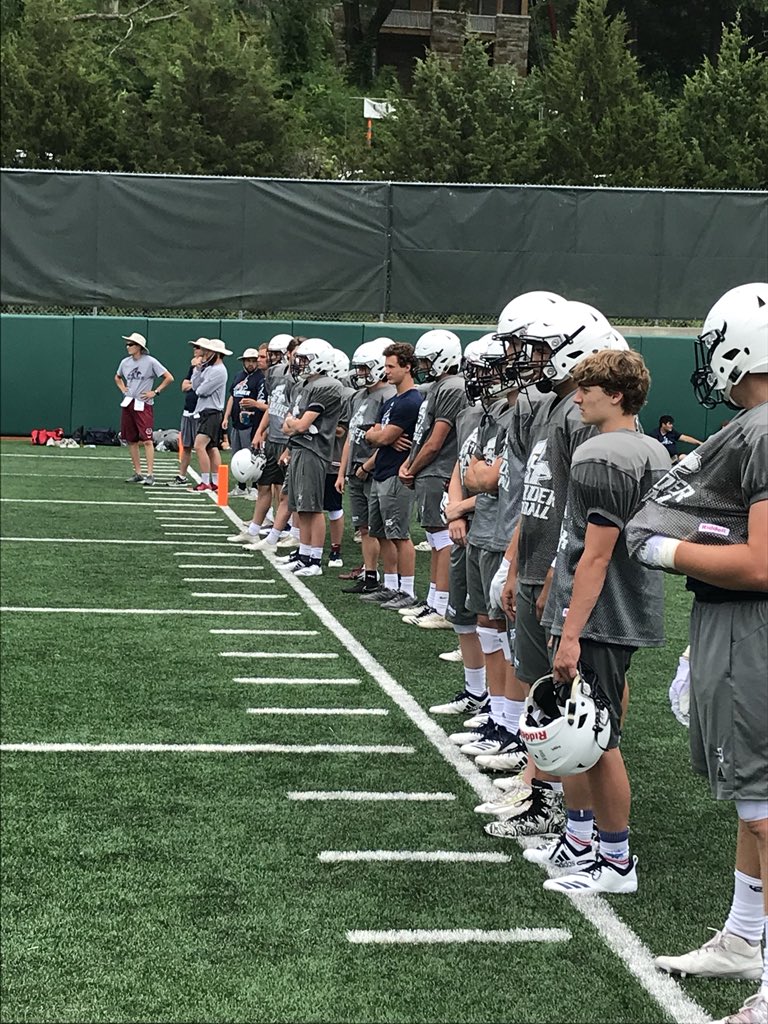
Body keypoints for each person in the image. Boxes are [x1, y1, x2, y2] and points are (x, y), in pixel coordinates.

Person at [626, 282, 768, 1024]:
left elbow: (762, 564)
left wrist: (662, 548)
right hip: (736, 623)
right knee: (754, 799)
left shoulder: (765, 428)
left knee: (765, 808)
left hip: (754, 625)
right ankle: (744, 937)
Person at [522, 348, 670, 895]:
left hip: (601, 611)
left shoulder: (604, 453)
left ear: (616, 395)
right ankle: (580, 839)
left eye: (587, 389)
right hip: (616, 605)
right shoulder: (648, 448)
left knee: (596, 736)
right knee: (581, 734)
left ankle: (615, 859)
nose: (577, 397)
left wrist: (571, 631)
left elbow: (597, 554)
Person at [400, 329, 468, 629]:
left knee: (442, 539)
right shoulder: (439, 386)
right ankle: (433, 601)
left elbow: (436, 440)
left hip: (438, 469)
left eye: (428, 360)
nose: (423, 366)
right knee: (434, 538)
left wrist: (412, 467)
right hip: (430, 468)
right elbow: (423, 436)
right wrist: (410, 464)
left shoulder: (452, 387)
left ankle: (442, 605)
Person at [362, 343, 424, 608]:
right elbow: (373, 435)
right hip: (382, 470)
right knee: (381, 533)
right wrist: (380, 437)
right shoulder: (390, 401)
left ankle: (407, 591)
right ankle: (389, 585)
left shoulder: (411, 401)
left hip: (397, 474)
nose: (386, 371)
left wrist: (381, 437)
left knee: (399, 534)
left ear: (407, 367)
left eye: (391, 366)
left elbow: (382, 436)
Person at [280, 338, 344, 577]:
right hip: (299, 448)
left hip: (314, 450)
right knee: (302, 507)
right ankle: (304, 555)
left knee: (313, 507)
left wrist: (295, 424)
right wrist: (295, 424)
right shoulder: (303, 385)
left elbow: (300, 425)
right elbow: (287, 426)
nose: (299, 363)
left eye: (304, 359)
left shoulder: (328, 386)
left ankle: (314, 560)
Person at [336, 339, 395, 593]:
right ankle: (370, 574)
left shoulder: (389, 395)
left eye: (364, 368)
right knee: (363, 527)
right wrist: (342, 471)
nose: (360, 373)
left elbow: (389, 439)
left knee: (380, 528)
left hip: (375, 469)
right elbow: (351, 435)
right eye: (358, 368)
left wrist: (368, 466)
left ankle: (392, 581)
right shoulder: (358, 396)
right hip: (355, 468)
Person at [114, 332, 174, 487]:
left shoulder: (150, 361)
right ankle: (138, 472)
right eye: (127, 344)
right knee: (131, 440)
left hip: (143, 404)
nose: (128, 347)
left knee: (147, 440)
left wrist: (155, 391)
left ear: (139, 347)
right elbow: (117, 377)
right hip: (129, 403)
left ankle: (150, 474)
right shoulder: (125, 362)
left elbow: (169, 377)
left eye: (131, 344)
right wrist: (123, 389)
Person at [223, 347, 267, 497]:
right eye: (248, 361)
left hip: (252, 423)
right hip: (236, 422)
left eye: (253, 361)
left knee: (252, 456)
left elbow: (261, 402)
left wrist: (253, 406)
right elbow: (232, 396)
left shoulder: (260, 378)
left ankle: (254, 486)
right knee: (237, 455)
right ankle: (241, 486)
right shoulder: (238, 376)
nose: (250, 364)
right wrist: (226, 416)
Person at [189, 337, 231, 492]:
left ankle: (206, 481)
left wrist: (199, 378)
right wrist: (197, 369)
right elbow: (195, 385)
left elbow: (201, 390)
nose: (204, 354)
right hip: (206, 412)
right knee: (211, 448)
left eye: (208, 352)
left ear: (216, 354)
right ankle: (215, 482)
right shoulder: (209, 368)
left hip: (212, 412)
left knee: (199, 445)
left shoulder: (219, 371)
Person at [168, 342, 202, 487]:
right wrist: (193, 384)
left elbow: (202, 386)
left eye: (197, 347)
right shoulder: (192, 367)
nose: (195, 350)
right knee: (186, 445)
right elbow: (183, 386)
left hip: (200, 412)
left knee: (203, 447)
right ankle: (181, 475)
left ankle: (208, 479)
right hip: (188, 410)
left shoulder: (208, 368)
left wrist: (192, 385)